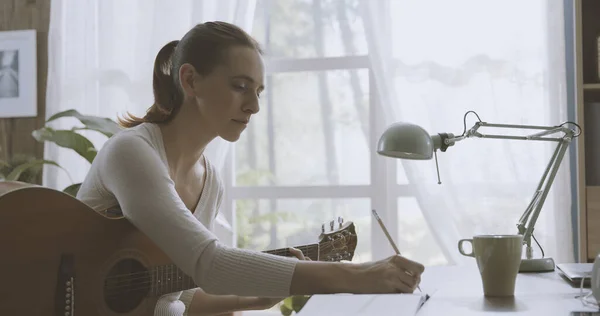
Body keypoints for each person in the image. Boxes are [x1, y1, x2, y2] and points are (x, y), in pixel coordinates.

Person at [76, 21, 425, 316]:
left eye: (258, 91)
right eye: (240, 87)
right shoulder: (131, 151)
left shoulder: (210, 182)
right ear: (190, 81)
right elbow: (210, 264)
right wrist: (356, 275)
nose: (254, 106)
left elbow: (177, 293)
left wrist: (255, 298)